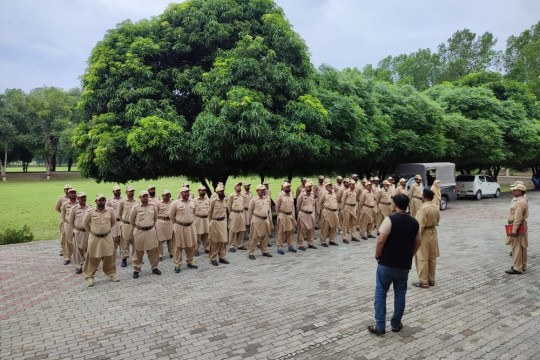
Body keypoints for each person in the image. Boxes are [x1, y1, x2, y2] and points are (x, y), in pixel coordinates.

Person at [368, 194, 421, 335]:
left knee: (381, 293)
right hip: (403, 265)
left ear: (395, 205)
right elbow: (418, 242)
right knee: (400, 294)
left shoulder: (390, 220)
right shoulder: (414, 222)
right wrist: (410, 255)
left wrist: (377, 255)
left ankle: (380, 326)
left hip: (387, 263)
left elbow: (381, 240)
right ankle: (396, 324)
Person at [83, 194, 119, 287]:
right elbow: (85, 224)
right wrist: (93, 232)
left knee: (109, 257)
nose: (101, 202)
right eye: (99, 200)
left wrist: (105, 230)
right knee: (92, 257)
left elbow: (113, 222)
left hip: (107, 237)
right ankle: (90, 277)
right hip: (94, 238)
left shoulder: (110, 211)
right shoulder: (91, 212)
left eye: (103, 200)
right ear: (96, 201)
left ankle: (111, 273)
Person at [129, 190, 161, 279]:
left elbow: (155, 218)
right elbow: (131, 221)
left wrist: (150, 226)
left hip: (151, 231)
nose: (145, 197)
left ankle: (154, 267)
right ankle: (136, 270)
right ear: (140, 197)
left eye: (146, 196)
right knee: (138, 251)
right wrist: (139, 227)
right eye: (143, 196)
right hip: (140, 232)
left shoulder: (153, 206)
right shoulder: (135, 208)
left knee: (153, 251)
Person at [412, 188, 440, 288]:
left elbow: (420, 225)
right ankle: (431, 280)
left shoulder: (423, 208)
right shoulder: (436, 206)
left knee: (422, 258)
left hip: (424, 234)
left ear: (423, 197)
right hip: (433, 232)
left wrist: (415, 238)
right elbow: (437, 220)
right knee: (432, 258)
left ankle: (423, 281)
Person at [170, 186, 199, 272]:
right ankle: (177, 265)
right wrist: (178, 223)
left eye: (187, 192)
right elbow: (171, 216)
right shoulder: (176, 203)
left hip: (190, 227)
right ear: (181, 193)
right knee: (178, 246)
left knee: (191, 245)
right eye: (185, 192)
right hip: (179, 227)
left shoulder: (193, 202)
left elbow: (194, 213)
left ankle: (190, 262)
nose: (187, 193)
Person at [505, 184, 529, 274]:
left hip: (517, 225)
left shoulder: (520, 202)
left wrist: (514, 230)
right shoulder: (522, 199)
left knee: (517, 246)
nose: (512, 191)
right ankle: (521, 265)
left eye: (514, 190)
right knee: (521, 245)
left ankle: (517, 268)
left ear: (520, 191)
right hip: (518, 224)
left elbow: (518, 217)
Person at [247, 184, 273, 260]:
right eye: (261, 190)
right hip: (257, 220)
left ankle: (264, 251)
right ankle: (250, 252)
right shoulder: (254, 200)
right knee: (254, 237)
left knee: (265, 236)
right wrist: (253, 221)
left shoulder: (267, 199)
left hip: (265, 220)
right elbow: (250, 212)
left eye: (264, 190)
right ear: (257, 191)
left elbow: (268, 209)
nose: (263, 191)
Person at [69, 191, 92, 274]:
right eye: (82, 197)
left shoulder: (90, 207)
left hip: (88, 232)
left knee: (89, 248)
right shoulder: (74, 209)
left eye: (84, 197)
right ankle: (78, 266)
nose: (83, 199)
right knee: (78, 250)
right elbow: (70, 221)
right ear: (78, 198)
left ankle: (89, 265)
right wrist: (76, 229)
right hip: (78, 232)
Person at [208, 184, 229, 266]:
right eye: (220, 191)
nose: (222, 192)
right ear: (217, 192)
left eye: (223, 191)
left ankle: (222, 257)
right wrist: (211, 222)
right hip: (215, 222)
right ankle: (213, 258)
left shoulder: (225, 199)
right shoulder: (213, 200)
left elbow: (225, 212)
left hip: (223, 222)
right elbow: (209, 211)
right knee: (215, 241)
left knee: (223, 240)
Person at [117, 186, 137, 267]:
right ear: (126, 192)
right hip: (126, 224)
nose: (131, 192)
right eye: (130, 191)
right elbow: (119, 213)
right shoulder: (122, 201)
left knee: (135, 243)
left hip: (135, 225)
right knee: (125, 242)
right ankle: (124, 259)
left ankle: (136, 259)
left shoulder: (137, 201)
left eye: (132, 191)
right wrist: (124, 221)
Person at [275, 181, 297, 254]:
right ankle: (279, 247)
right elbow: (277, 207)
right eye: (287, 187)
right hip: (282, 215)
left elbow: (292, 206)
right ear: (284, 188)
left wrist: (293, 216)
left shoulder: (291, 194)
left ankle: (290, 246)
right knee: (281, 232)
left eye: (289, 186)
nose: (289, 188)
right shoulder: (280, 195)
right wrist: (279, 215)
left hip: (290, 215)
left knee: (290, 231)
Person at [296, 180, 317, 251]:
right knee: (302, 230)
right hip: (303, 214)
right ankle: (300, 244)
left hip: (310, 214)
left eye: (311, 186)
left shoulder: (312, 195)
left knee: (311, 229)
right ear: (305, 187)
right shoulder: (301, 195)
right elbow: (298, 206)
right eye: (308, 186)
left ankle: (310, 243)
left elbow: (313, 204)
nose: (310, 188)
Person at [319, 179, 340, 247]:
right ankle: (323, 241)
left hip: (334, 212)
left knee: (334, 227)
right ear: (326, 186)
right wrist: (324, 210)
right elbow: (320, 203)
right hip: (327, 212)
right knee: (325, 227)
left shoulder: (334, 193)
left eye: (331, 185)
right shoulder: (324, 193)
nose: (331, 186)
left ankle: (331, 240)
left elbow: (336, 201)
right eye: (329, 185)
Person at [60, 188, 78, 265]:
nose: (73, 194)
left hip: (77, 225)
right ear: (68, 194)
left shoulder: (79, 203)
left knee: (79, 241)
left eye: (74, 193)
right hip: (68, 225)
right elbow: (62, 216)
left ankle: (82, 256)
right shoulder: (65, 204)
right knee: (68, 241)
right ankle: (67, 257)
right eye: (71, 193)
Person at [156, 189, 174, 261]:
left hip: (170, 221)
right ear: (162, 196)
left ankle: (171, 252)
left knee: (170, 238)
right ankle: (160, 254)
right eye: (166, 195)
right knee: (160, 239)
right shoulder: (158, 203)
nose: (167, 196)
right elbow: (155, 213)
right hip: (161, 221)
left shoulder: (172, 203)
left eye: (168, 194)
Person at [228, 182, 246, 252]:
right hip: (234, 213)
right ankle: (232, 245)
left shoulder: (242, 195)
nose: (239, 187)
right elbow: (229, 206)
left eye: (240, 186)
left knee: (241, 230)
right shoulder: (232, 195)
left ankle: (240, 245)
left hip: (241, 213)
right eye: (238, 186)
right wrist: (231, 214)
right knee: (233, 230)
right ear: (235, 187)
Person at [106, 185, 123, 257]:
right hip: (114, 222)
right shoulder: (109, 201)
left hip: (122, 221)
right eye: (116, 190)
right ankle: (113, 255)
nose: (118, 191)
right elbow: (106, 211)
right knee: (114, 239)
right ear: (113, 191)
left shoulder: (124, 199)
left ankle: (123, 255)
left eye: (119, 190)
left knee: (122, 239)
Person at [55, 184, 71, 256]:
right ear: (64, 190)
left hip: (72, 219)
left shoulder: (75, 198)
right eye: (66, 189)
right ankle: (62, 248)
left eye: (69, 189)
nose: (68, 190)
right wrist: (63, 214)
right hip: (64, 220)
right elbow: (57, 208)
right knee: (63, 234)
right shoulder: (61, 198)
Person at [194, 185, 210, 256]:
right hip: (198, 219)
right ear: (198, 191)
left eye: (204, 190)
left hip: (206, 219)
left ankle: (207, 248)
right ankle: (196, 249)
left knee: (206, 234)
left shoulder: (208, 200)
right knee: (198, 235)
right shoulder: (194, 200)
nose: (203, 191)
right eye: (201, 190)